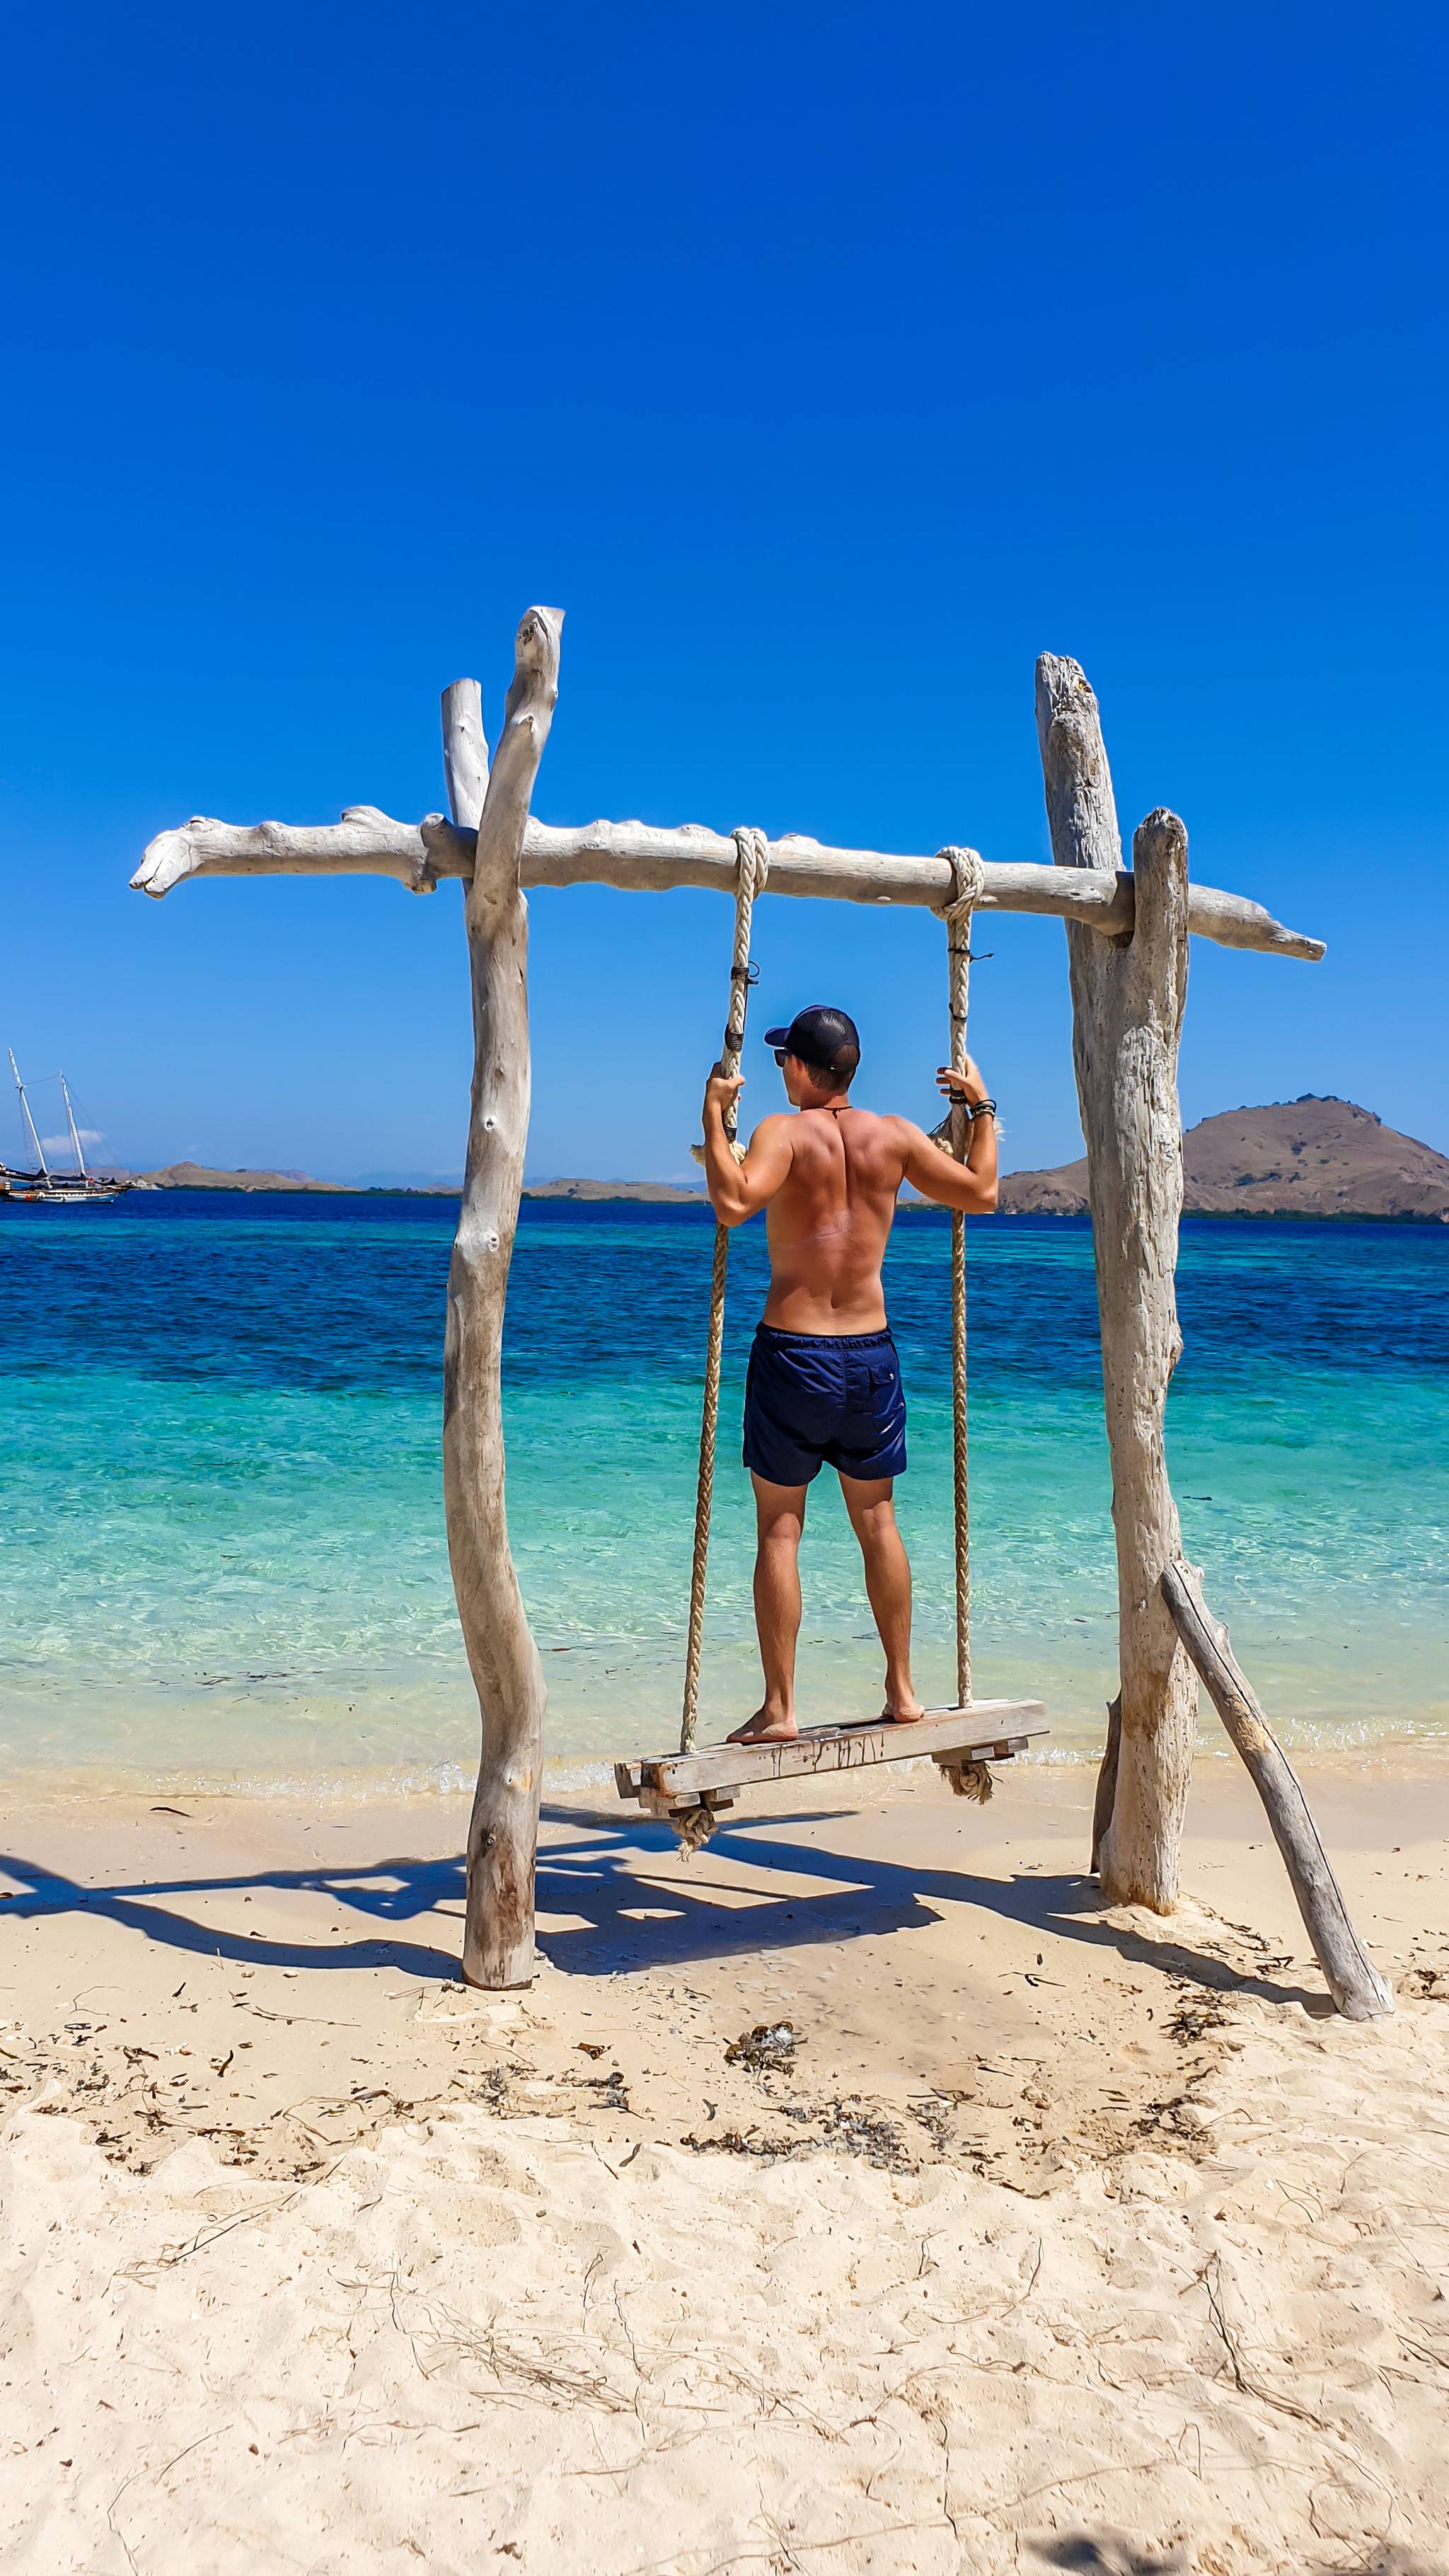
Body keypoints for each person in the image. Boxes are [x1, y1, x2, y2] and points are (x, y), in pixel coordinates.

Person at [698, 1003, 998, 1745]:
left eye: (780, 1062)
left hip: (793, 1353)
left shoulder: (783, 1133)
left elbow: (734, 1203)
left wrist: (712, 1121)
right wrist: (982, 1108)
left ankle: (779, 1707)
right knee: (877, 1520)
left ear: (801, 1067)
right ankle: (901, 1689)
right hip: (869, 1355)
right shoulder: (893, 1136)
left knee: (779, 1529)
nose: (778, 1073)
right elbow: (981, 1191)